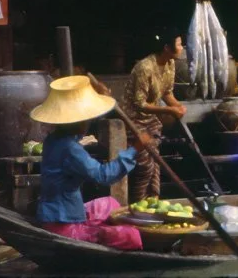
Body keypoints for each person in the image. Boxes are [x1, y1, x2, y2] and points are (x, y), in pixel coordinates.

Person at [31, 75, 151, 250]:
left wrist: (102, 98)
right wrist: (135, 149)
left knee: (112, 204)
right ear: (78, 122)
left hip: (60, 210)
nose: (89, 122)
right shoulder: (71, 149)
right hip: (62, 224)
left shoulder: (54, 139)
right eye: (86, 119)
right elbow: (104, 175)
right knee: (131, 236)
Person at [118, 27, 187, 203]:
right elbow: (139, 104)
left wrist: (177, 106)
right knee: (145, 168)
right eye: (179, 44)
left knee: (156, 165)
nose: (181, 47)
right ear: (166, 47)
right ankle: (138, 205)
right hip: (133, 122)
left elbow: (167, 92)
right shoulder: (145, 67)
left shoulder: (170, 64)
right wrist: (169, 111)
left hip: (151, 122)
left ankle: (153, 202)